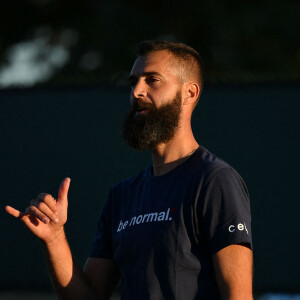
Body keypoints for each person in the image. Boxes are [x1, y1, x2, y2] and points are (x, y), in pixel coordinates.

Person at [5, 40, 253, 300]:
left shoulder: (214, 180)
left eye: (152, 80)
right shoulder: (122, 196)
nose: (137, 91)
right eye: (133, 81)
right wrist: (54, 240)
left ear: (189, 93)